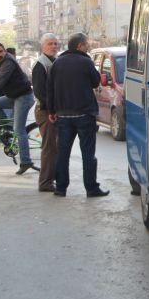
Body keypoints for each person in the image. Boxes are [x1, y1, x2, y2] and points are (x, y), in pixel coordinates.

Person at [47, 33, 109, 198]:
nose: (88, 47)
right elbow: (96, 82)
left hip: (63, 116)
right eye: (86, 44)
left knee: (63, 153)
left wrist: (52, 111)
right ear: (80, 46)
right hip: (84, 115)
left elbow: (50, 89)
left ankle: (61, 188)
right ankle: (91, 188)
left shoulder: (57, 63)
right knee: (88, 154)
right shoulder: (86, 62)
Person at [0, 42, 35, 174]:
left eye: (1, 51)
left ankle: (26, 162)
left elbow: (0, 81)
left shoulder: (8, 62)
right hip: (13, 96)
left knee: (19, 129)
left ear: (4, 52)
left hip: (23, 97)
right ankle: (8, 131)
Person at [32, 33, 59, 192]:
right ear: (42, 46)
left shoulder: (54, 62)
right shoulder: (40, 64)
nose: (54, 46)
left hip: (53, 111)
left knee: (54, 147)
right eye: (50, 44)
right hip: (46, 111)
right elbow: (40, 92)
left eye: (55, 43)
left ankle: (51, 179)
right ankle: (45, 183)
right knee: (49, 148)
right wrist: (51, 110)